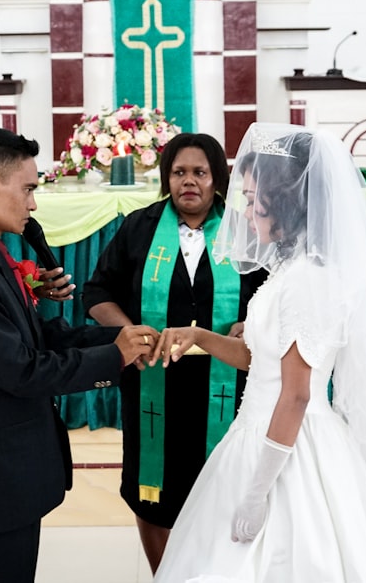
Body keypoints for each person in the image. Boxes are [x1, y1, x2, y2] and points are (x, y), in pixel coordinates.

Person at [151, 123, 366, 582]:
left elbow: (295, 394)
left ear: (286, 201)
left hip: (289, 447)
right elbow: (261, 362)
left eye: (255, 197)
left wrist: (258, 492)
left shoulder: (306, 282)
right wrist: (200, 337)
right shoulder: (290, 270)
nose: (247, 209)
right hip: (258, 430)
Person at [0, 126, 157, 583]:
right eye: (28, 188)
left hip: (6, 482)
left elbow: (39, 340)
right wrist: (115, 358)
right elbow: (22, 370)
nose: (33, 204)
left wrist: (119, 340)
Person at [82, 132, 267, 573]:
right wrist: (128, 332)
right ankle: (163, 575)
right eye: (179, 172)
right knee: (153, 492)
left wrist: (250, 322)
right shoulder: (139, 227)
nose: (189, 182)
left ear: (217, 178)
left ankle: (216, 576)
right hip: (152, 381)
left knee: (222, 488)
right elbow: (96, 291)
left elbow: (270, 295)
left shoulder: (245, 231)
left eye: (200, 172)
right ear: (166, 178)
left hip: (225, 385)